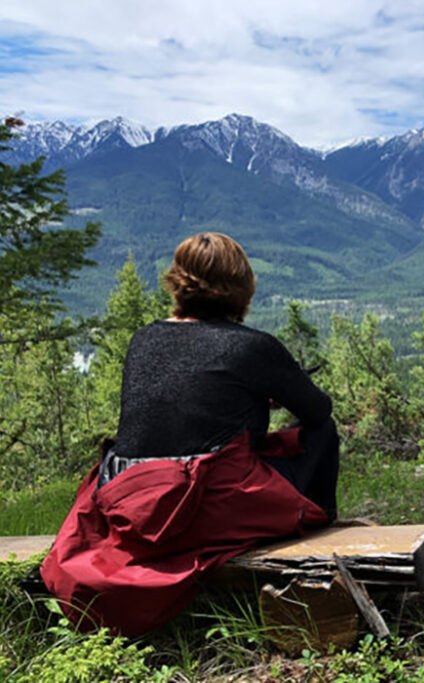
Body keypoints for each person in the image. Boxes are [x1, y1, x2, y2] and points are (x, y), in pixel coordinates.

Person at [42, 232, 340, 635]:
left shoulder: (144, 338)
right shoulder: (252, 347)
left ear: (177, 282)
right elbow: (318, 410)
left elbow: (178, 413)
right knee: (320, 432)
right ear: (242, 287)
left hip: (127, 500)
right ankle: (317, 526)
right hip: (198, 504)